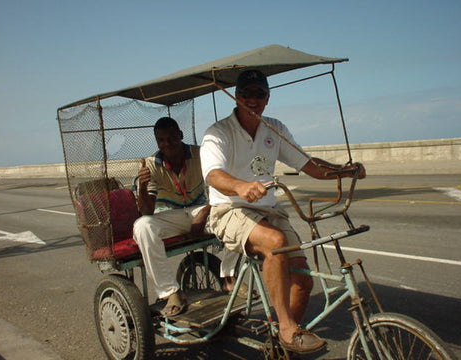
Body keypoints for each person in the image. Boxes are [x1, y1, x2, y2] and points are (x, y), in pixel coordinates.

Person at [200, 69, 366, 353]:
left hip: (268, 210)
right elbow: (214, 175)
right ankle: (288, 329)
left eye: (259, 94)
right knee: (275, 243)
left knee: (302, 282)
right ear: (236, 96)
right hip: (229, 209)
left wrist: (343, 171)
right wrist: (240, 186)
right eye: (247, 94)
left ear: (267, 98)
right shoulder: (219, 132)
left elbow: (307, 164)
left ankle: (281, 342)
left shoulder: (274, 128)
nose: (253, 99)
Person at [133, 116, 240, 317]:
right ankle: (171, 292)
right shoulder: (150, 165)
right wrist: (143, 187)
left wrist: (203, 213)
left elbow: (222, 189)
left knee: (237, 216)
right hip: (170, 216)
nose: (167, 144)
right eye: (161, 140)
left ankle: (228, 276)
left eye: (172, 138)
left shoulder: (201, 154)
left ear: (181, 136)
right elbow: (146, 212)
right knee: (142, 226)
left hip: (200, 209)